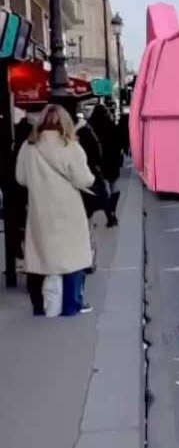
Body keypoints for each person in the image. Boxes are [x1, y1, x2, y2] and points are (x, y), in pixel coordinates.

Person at [15, 103, 97, 316]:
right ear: (65, 122)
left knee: (40, 257)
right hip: (68, 209)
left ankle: (40, 306)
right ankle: (71, 306)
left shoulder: (28, 146)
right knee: (72, 258)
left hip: (39, 209)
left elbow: (21, 178)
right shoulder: (70, 146)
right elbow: (84, 179)